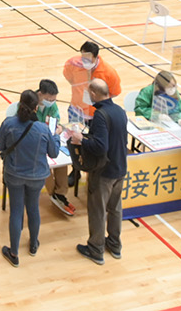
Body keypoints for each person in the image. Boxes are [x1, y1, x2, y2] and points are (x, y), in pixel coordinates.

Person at [0, 89, 61, 266]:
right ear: (36, 108)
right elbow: (53, 153)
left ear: (19, 103)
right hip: (37, 176)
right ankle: (33, 245)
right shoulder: (42, 129)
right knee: (33, 209)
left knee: (16, 211)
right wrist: (56, 136)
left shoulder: (8, 124)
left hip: (14, 174)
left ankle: (14, 253)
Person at [68, 78, 127, 265]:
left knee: (98, 210)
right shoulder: (119, 111)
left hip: (104, 172)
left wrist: (81, 140)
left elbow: (100, 146)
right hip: (120, 167)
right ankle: (115, 245)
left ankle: (95, 249)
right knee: (115, 209)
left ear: (93, 94)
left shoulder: (101, 115)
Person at [34, 79, 77, 216]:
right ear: (40, 94)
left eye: (53, 99)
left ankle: (61, 193)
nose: (51, 102)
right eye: (49, 99)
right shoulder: (30, 101)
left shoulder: (52, 106)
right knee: (45, 165)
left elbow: (55, 120)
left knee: (61, 161)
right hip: (34, 142)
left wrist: (57, 131)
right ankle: (53, 193)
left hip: (50, 139)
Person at [63, 41, 123, 124]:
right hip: (75, 111)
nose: (84, 61)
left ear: (96, 57)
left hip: (95, 116)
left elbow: (115, 92)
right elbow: (68, 77)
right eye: (83, 58)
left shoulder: (109, 73)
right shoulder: (74, 65)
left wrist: (97, 100)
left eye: (88, 59)